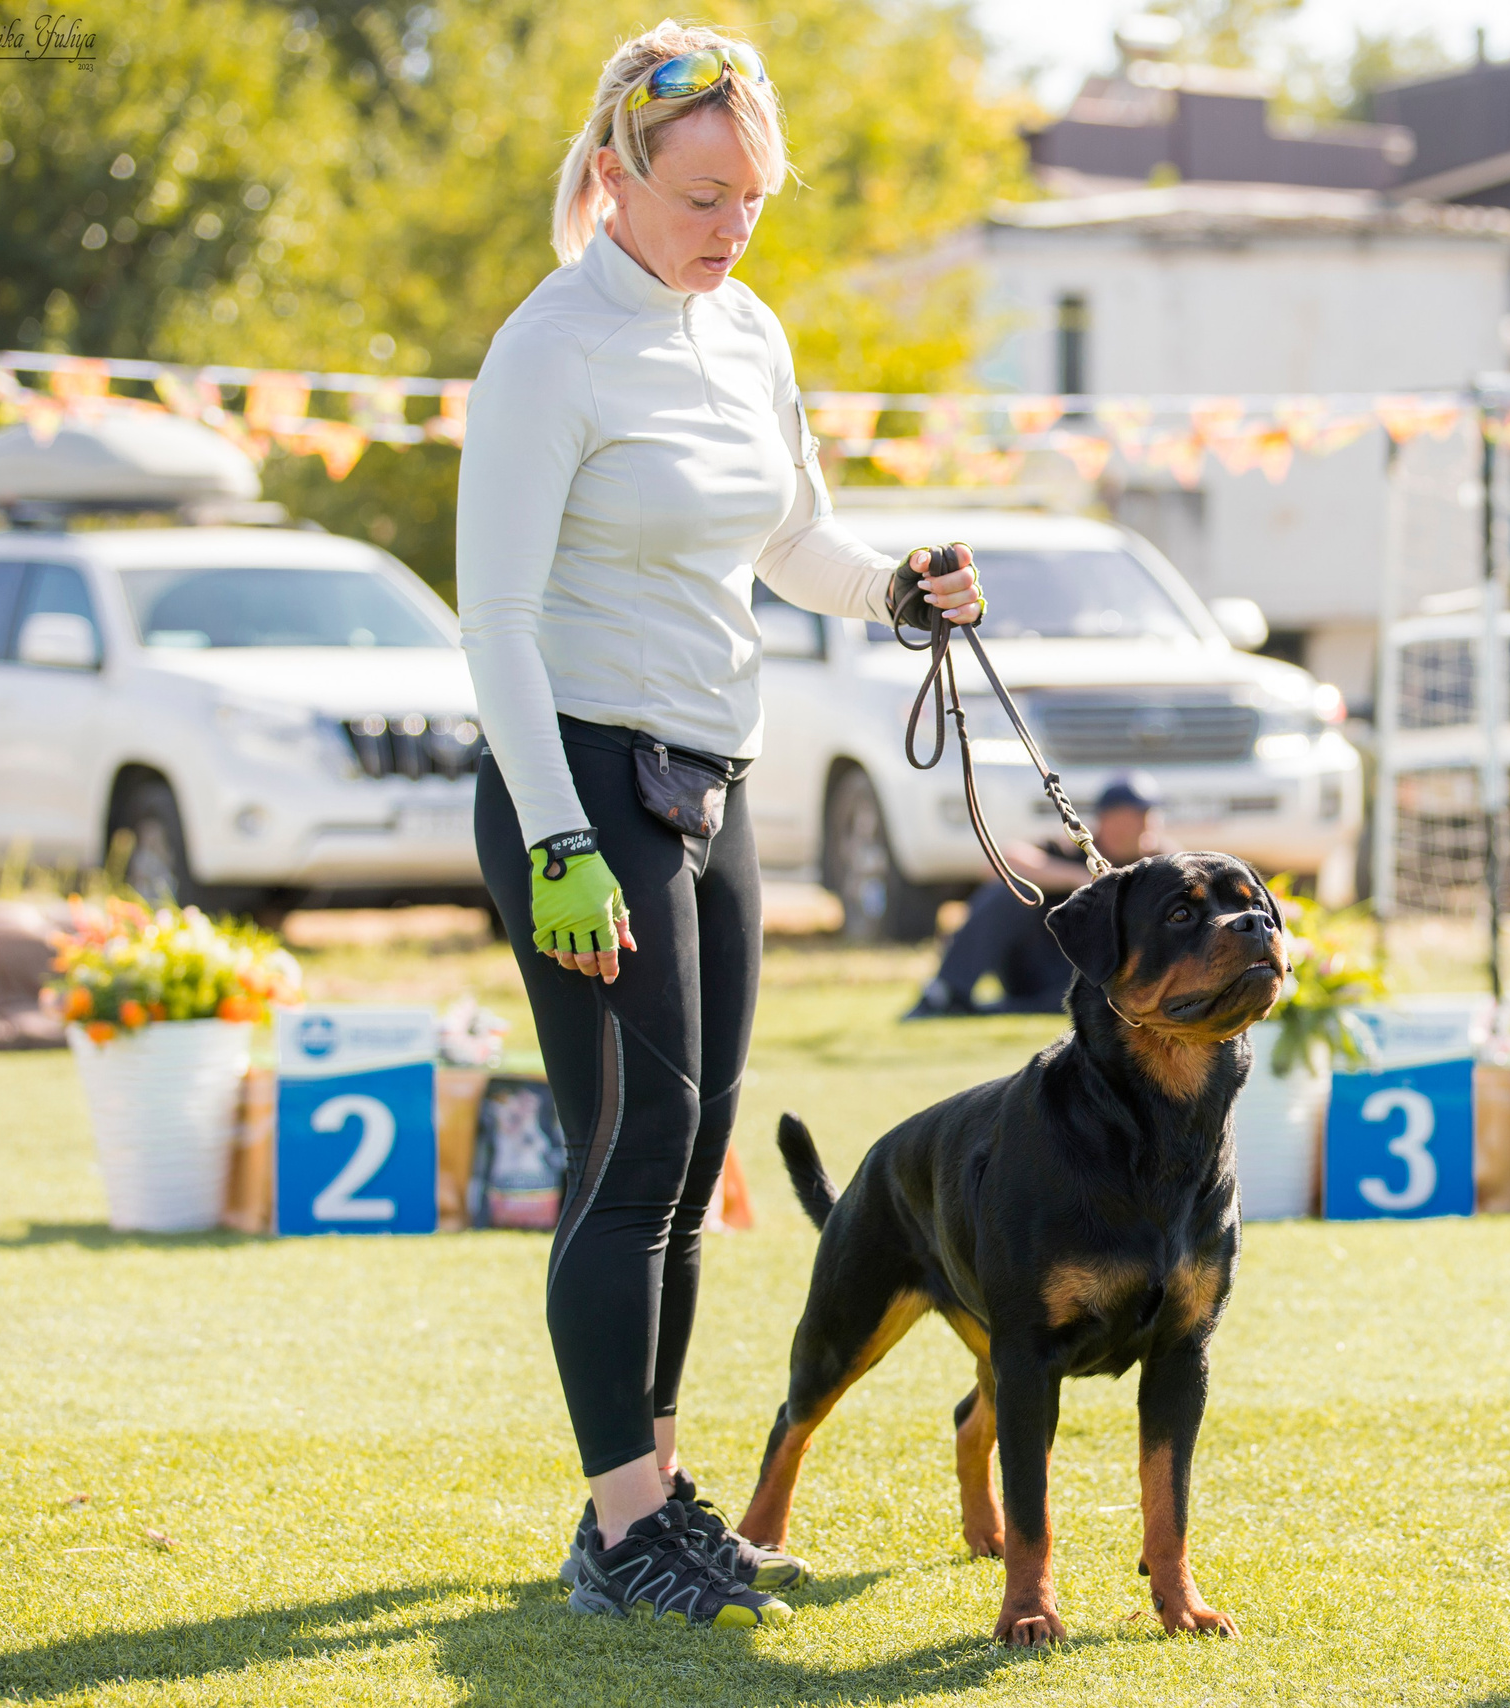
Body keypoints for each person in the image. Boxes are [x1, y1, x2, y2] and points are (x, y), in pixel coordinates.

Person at [455, 21, 983, 1631]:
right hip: (583, 789)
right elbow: (498, 619)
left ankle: (659, 1498)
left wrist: (896, 585)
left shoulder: (748, 328)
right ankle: (622, 1534)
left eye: (752, 195)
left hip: (715, 781)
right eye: (700, 194)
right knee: (629, 1154)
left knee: (692, 1162)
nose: (731, 224)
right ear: (612, 178)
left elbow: (797, 541)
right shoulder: (551, 350)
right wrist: (554, 840)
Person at [906, 773, 1169, 1018]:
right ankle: (947, 992)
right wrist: (1079, 879)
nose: (1142, 825)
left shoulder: (1160, 862)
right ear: (1106, 820)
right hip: (1039, 963)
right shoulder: (1075, 850)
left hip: (1098, 980)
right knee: (1012, 888)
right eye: (1132, 816)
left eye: (1146, 815)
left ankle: (985, 1010)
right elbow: (1001, 862)